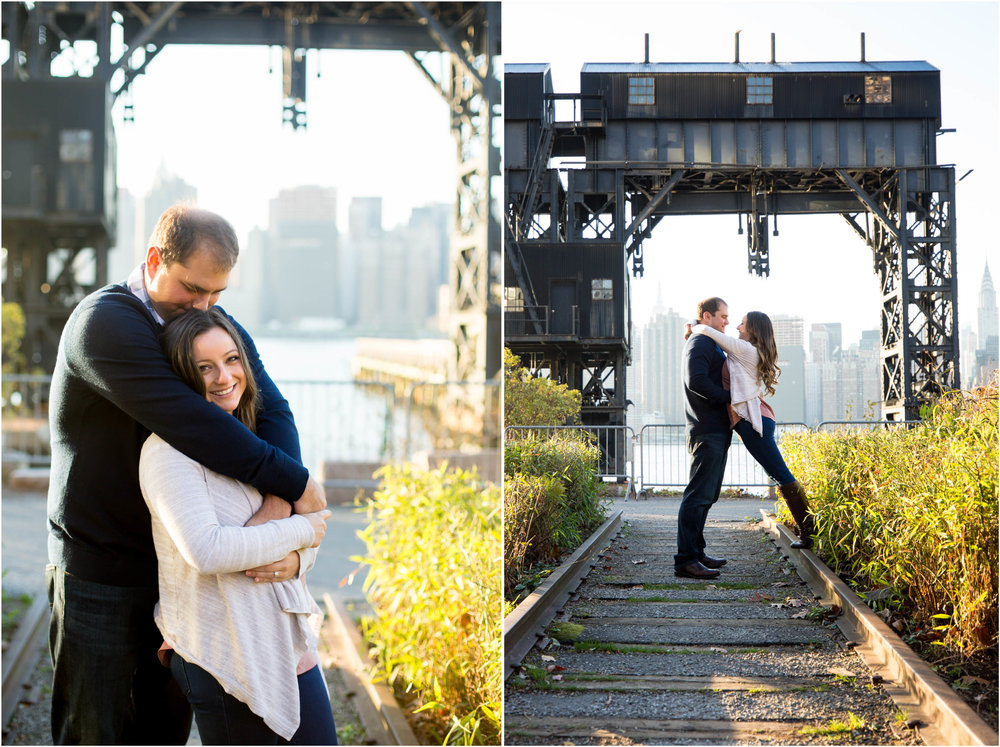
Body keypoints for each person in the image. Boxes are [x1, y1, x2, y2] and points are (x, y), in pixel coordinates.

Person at [46, 204, 326, 745]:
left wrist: (275, 508)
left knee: (162, 730)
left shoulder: (203, 321)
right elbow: (193, 424)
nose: (201, 306)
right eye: (192, 289)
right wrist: (296, 486)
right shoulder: (104, 323)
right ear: (154, 260)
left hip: (179, 577)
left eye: (216, 296)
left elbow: (273, 411)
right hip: (101, 571)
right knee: (95, 732)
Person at [141, 307, 338, 744]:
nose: (224, 377)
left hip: (285, 640)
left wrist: (298, 556)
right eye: (204, 367)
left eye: (232, 360)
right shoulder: (166, 453)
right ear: (180, 376)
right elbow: (208, 550)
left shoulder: (251, 441)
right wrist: (303, 534)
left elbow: (307, 530)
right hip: (221, 651)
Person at [687, 311, 816, 548]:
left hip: (753, 424)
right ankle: (810, 533)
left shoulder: (745, 350)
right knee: (779, 474)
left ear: (753, 329)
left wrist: (694, 326)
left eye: (742, 324)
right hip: (752, 421)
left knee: (780, 474)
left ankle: (810, 534)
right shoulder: (745, 350)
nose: (736, 327)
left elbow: (707, 331)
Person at [674, 297, 733, 579]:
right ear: (707, 316)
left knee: (708, 496)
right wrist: (728, 398)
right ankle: (685, 559)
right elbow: (695, 380)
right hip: (705, 429)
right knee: (697, 496)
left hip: (716, 429)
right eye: (723, 316)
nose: (727, 321)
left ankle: (697, 552)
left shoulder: (710, 342)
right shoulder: (699, 343)